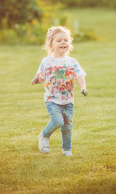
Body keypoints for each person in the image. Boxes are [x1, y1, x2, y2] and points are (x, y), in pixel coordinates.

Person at [31, 26, 88, 156]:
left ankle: (67, 150)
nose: (63, 42)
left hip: (68, 100)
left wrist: (83, 87)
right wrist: (36, 79)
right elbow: (41, 77)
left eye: (66, 40)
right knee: (57, 121)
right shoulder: (46, 61)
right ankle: (44, 136)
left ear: (69, 43)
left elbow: (80, 76)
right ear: (51, 44)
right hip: (52, 99)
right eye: (59, 40)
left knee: (67, 126)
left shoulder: (72, 62)